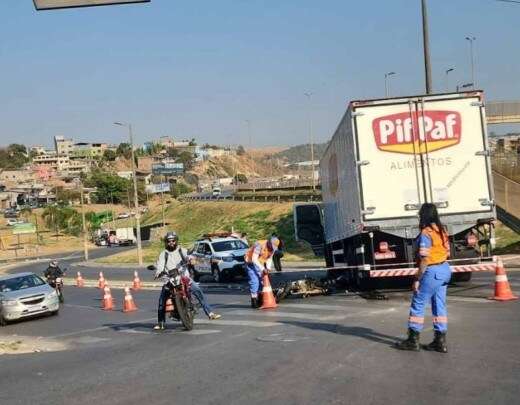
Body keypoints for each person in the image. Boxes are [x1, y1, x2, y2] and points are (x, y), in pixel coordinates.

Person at [395, 203, 452, 353]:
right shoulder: (442, 230)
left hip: (432, 271)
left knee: (418, 303)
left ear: (424, 215)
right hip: (445, 269)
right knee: (439, 305)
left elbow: (425, 259)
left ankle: (413, 340)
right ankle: (440, 342)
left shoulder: (426, 233)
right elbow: (447, 253)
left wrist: (417, 278)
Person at [153, 231, 221, 330]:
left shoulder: (182, 250)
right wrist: (158, 272)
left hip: (184, 277)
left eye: (173, 241)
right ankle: (161, 323)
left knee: (197, 289)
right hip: (169, 279)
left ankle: (210, 313)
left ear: (176, 241)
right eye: (169, 241)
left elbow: (188, 256)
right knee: (161, 300)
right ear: (166, 242)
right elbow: (160, 266)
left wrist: (191, 259)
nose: (171, 243)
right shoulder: (163, 254)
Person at [245, 236, 280, 308]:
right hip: (250, 263)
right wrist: (262, 269)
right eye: (271, 247)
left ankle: (260, 300)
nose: (272, 249)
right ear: (269, 243)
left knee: (262, 282)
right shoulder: (260, 245)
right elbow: (254, 259)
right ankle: (254, 301)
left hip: (259, 264)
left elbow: (269, 259)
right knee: (255, 281)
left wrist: (268, 268)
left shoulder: (272, 249)